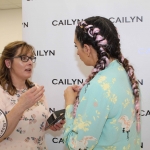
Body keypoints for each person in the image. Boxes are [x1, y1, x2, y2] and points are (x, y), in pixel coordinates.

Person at [63, 16, 141, 150]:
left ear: (87, 49)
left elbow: (79, 146)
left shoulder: (98, 86)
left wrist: (69, 104)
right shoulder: (125, 73)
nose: (77, 53)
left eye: (77, 46)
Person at [0, 41, 65, 150]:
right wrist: (22, 105)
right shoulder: (1, 91)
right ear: (8, 63)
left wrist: (49, 124)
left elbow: (34, 125)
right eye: (24, 58)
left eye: (31, 58)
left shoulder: (36, 89)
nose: (30, 62)